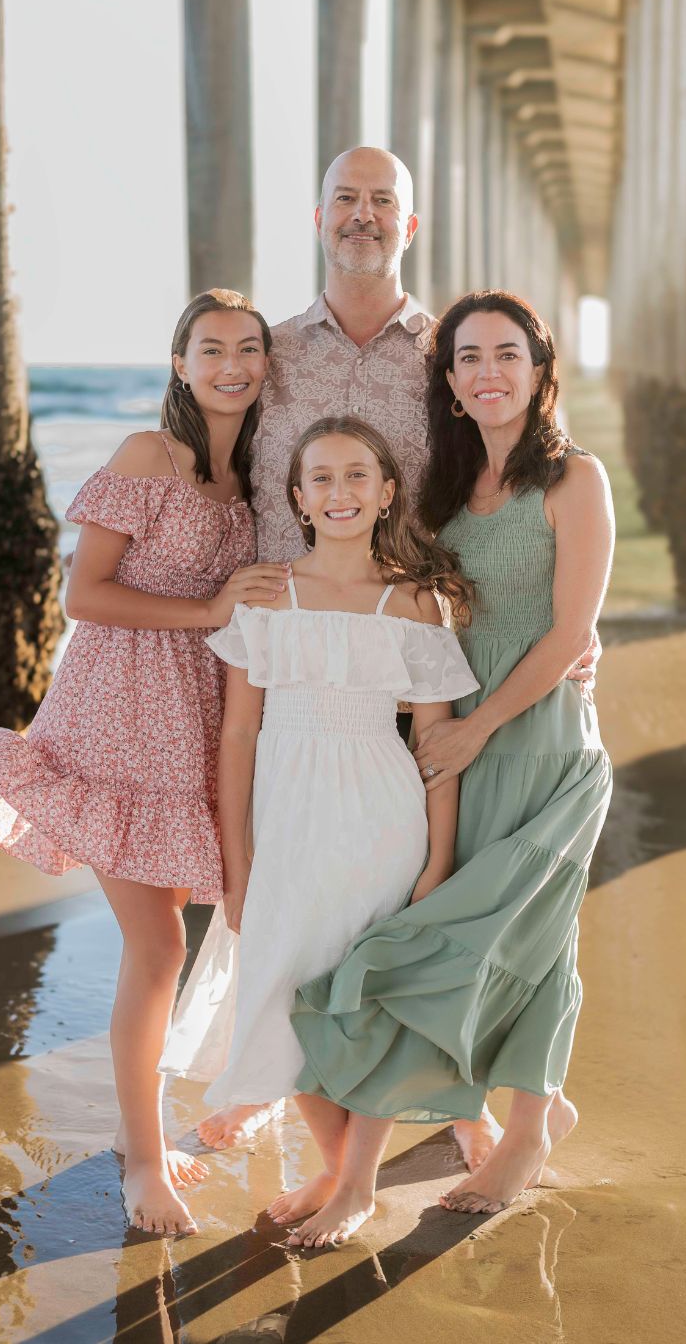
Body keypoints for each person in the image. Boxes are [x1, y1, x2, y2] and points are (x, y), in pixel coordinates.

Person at [196, 145, 599, 1167]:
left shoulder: (451, 351)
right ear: (318, 215)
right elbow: (211, 460)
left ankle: (448, 1106)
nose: (363, 216)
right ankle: (295, 1077)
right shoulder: (272, 352)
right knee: (314, 888)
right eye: (345, 198)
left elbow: (524, 493)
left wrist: (569, 632)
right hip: (291, 653)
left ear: (409, 225)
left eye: (383, 202)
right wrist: (194, 591)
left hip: (420, 653)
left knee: (421, 889)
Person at [0, 290, 292, 1237]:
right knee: (161, 946)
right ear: (179, 363)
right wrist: (210, 609)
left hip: (202, 722)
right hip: (114, 713)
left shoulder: (260, 479)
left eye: (249, 348)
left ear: (267, 363)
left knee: (197, 931)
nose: (231, 364)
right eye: (210, 348)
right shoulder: (149, 455)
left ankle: (170, 1128)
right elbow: (85, 595)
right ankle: (143, 1162)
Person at [284, 290, 615, 1248]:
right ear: (452, 383)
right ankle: (393, 1163)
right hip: (444, 753)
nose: (487, 372)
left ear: (540, 369)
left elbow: (570, 633)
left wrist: (483, 728)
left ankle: (522, 1137)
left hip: (542, 746)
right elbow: (403, 615)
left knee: (536, 946)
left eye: (506, 354)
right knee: (430, 941)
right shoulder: (438, 494)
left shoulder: (575, 480)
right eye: (467, 358)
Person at [160, 417, 478, 1228]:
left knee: (367, 1001)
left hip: (382, 816)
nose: (341, 493)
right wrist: (237, 860)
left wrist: (438, 861)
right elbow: (237, 735)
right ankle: (339, 1174)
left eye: (357, 476)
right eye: (323, 479)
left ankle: (354, 1185)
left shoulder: (414, 602)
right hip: (287, 816)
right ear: (297, 498)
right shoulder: (267, 595)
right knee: (282, 993)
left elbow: (436, 746)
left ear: (386, 492)